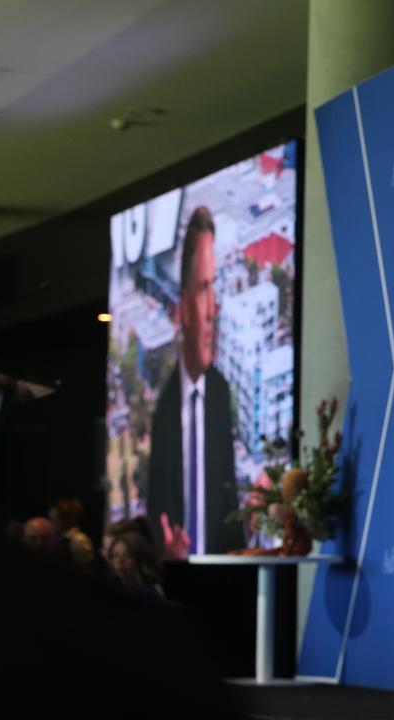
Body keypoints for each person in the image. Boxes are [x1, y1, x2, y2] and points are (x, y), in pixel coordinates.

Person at [148, 206, 243, 558]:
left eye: (214, 289)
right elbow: (151, 515)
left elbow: (229, 507)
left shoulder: (220, 393)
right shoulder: (163, 408)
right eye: (204, 289)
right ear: (185, 307)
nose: (212, 309)